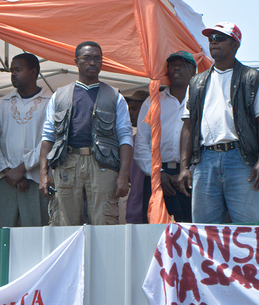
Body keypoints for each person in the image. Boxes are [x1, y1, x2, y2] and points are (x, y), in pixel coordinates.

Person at [177, 22, 259, 224]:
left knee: (250, 228)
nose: (213, 42)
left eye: (220, 38)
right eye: (211, 39)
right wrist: (184, 167)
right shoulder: (196, 82)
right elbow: (188, 127)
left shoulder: (252, 78)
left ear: (235, 44)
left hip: (241, 159)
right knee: (205, 230)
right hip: (205, 160)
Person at [39, 41, 133, 226]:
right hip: (67, 164)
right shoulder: (59, 96)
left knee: (104, 222)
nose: (92, 62)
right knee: (64, 224)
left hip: (103, 166)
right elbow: (48, 136)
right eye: (87, 58)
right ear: (76, 61)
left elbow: (125, 137)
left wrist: (123, 175)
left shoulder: (115, 97)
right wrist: (43, 174)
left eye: (97, 58)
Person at [0, 53, 51, 228]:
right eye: (12, 71)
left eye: (18, 70)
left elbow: (50, 140)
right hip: (4, 179)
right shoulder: (1, 104)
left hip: (36, 179)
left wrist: (23, 168)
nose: (13, 74)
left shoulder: (50, 102)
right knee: (0, 234)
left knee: (36, 234)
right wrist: (7, 171)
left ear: (33, 72)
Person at [134, 51, 196, 223]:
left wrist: (189, 171)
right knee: (155, 230)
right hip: (157, 175)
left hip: (191, 177)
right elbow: (141, 143)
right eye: (172, 65)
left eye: (182, 64)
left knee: (190, 228)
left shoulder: (201, 101)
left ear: (194, 71)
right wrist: (158, 174)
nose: (176, 68)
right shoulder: (153, 102)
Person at [124, 90, 149, 224]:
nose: (130, 113)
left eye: (134, 109)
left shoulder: (158, 142)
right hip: (134, 210)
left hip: (151, 208)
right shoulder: (130, 142)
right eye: (129, 109)